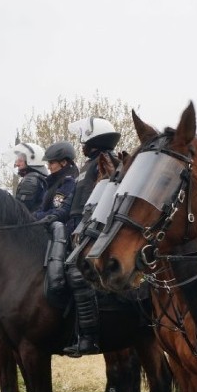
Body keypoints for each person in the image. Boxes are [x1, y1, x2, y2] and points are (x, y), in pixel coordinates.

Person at [61, 117, 121, 357]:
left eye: (84, 138)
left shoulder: (107, 161)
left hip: (94, 227)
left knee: (78, 276)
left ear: (93, 139)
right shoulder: (87, 165)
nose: (81, 143)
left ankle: (89, 337)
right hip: (75, 225)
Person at [32, 141, 78, 224]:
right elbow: (42, 207)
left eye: (52, 163)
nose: (49, 167)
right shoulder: (51, 182)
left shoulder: (69, 183)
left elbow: (57, 210)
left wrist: (35, 217)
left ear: (63, 163)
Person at [13, 142, 48, 213]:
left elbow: (20, 210)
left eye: (20, 161)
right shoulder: (37, 177)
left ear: (32, 161)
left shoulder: (30, 180)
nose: (17, 164)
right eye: (17, 161)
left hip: (29, 223)